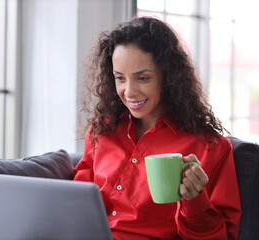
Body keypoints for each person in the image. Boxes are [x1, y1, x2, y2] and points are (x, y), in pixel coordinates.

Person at [73, 17, 241, 239]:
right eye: (120, 78)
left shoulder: (210, 148)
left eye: (142, 78)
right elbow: (75, 202)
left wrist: (195, 199)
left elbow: (219, 237)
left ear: (168, 77)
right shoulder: (102, 130)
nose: (129, 91)